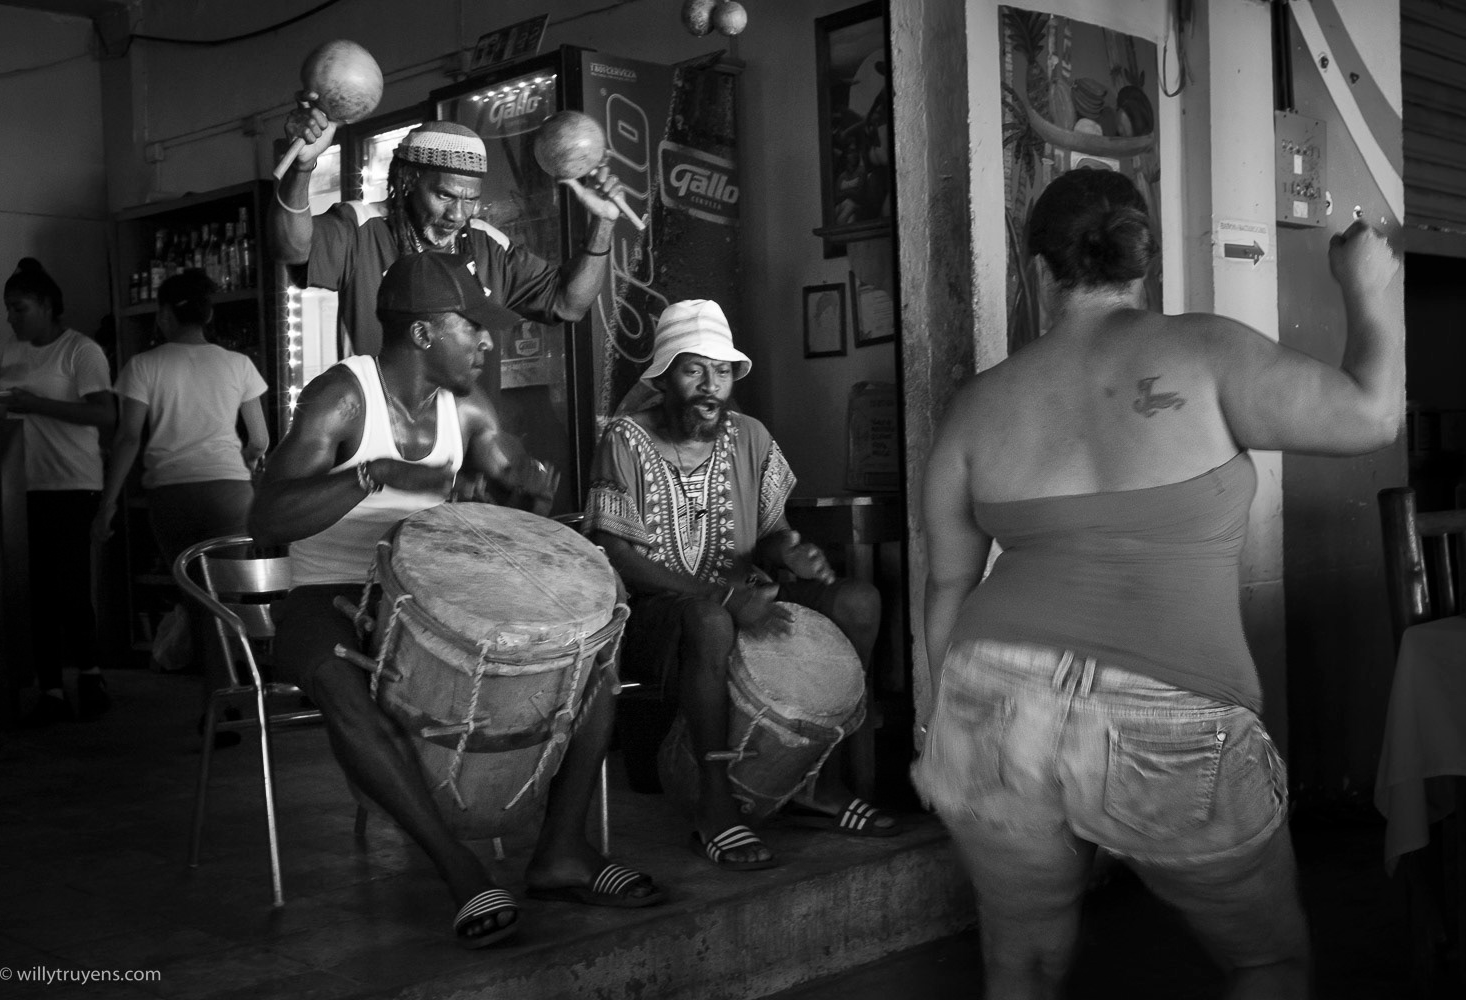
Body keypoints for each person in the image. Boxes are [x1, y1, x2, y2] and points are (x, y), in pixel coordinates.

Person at [916, 169, 1402, 999]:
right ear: (1144, 264)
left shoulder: (977, 407)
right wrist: (1369, 288)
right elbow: (1371, 414)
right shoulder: (1205, 352)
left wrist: (938, 724)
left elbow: (949, 585)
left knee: (1022, 962)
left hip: (991, 698)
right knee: (1266, 963)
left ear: (1037, 273)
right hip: (1171, 706)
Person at [248, 252, 662, 947]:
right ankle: (459, 868)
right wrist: (368, 476)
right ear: (421, 334)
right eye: (471, 326)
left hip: (426, 596)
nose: (488, 341)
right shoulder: (343, 398)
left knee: (595, 661)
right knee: (339, 681)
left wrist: (525, 485)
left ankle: (561, 848)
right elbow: (266, 519)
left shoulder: (465, 409)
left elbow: (508, 472)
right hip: (324, 596)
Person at [584, 299, 899, 872]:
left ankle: (822, 781)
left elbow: (774, 531)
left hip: (748, 598)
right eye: (693, 369)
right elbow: (615, 553)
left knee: (858, 600)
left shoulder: (750, 435)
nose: (710, 385)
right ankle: (714, 804)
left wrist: (792, 552)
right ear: (664, 374)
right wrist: (717, 596)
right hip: (658, 617)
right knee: (709, 620)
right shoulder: (625, 440)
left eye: (722, 371)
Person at [271, 111, 623, 356]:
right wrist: (303, 168)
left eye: (470, 200)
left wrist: (604, 222)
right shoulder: (360, 226)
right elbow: (292, 248)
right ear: (408, 181)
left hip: (467, 444)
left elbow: (569, 304)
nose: (457, 215)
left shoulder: (487, 245)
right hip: (376, 436)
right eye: (444, 196)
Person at [92, 270, 270, 741]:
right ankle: (231, 695)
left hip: (172, 493)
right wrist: (247, 462)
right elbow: (261, 439)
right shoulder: (238, 365)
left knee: (197, 600)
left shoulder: (143, 366)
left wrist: (108, 503)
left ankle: (221, 702)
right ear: (209, 315)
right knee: (228, 599)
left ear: (166, 314)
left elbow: (129, 438)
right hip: (232, 492)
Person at [0, 258, 116, 725]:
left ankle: (91, 675)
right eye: (8, 310)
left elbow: (104, 415)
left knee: (72, 587)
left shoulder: (80, 351)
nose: (12, 319)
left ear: (46, 305)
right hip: (21, 486)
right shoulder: (6, 353)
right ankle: (51, 687)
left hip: (72, 483)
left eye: (19, 308)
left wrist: (36, 405)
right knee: (33, 590)